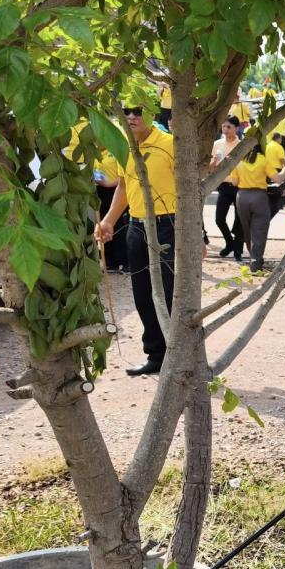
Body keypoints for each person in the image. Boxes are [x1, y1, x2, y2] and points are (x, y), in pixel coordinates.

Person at [96, 106, 176, 376]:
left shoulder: (169, 145)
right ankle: (156, 356)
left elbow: (189, 188)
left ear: (153, 115)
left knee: (168, 291)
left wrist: (197, 234)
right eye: (127, 112)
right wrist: (108, 220)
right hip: (136, 225)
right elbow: (123, 185)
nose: (131, 117)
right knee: (142, 293)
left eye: (138, 112)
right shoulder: (125, 147)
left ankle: (179, 356)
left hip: (168, 225)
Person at [233, 133, 285, 270]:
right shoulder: (263, 160)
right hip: (259, 197)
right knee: (259, 231)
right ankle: (256, 263)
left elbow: (234, 181)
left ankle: (253, 257)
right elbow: (277, 179)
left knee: (247, 230)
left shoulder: (239, 160)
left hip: (242, 197)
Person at [210, 116, 245, 259]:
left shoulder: (242, 145)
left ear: (237, 128)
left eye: (229, 127)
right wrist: (215, 161)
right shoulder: (217, 144)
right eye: (223, 126)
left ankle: (238, 251)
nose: (225, 129)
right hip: (223, 185)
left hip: (239, 186)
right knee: (219, 219)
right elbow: (211, 167)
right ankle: (230, 243)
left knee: (240, 220)